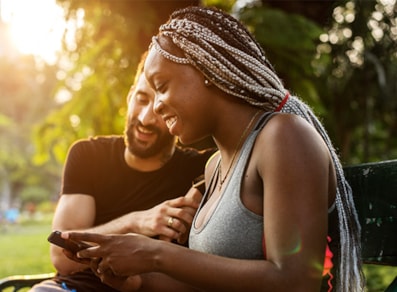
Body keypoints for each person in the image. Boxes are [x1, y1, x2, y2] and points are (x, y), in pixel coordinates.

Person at [65, 6, 365, 292]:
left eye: (162, 86)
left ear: (206, 69)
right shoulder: (214, 166)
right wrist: (139, 283)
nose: (156, 107)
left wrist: (157, 255)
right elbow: (206, 285)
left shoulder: (284, 137)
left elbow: (295, 283)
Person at [30, 52, 215, 292]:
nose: (146, 118)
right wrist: (136, 222)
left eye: (161, 108)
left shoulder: (203, 170)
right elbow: (62, 258)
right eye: (141, 99)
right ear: (129, 97)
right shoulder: (88, 155)